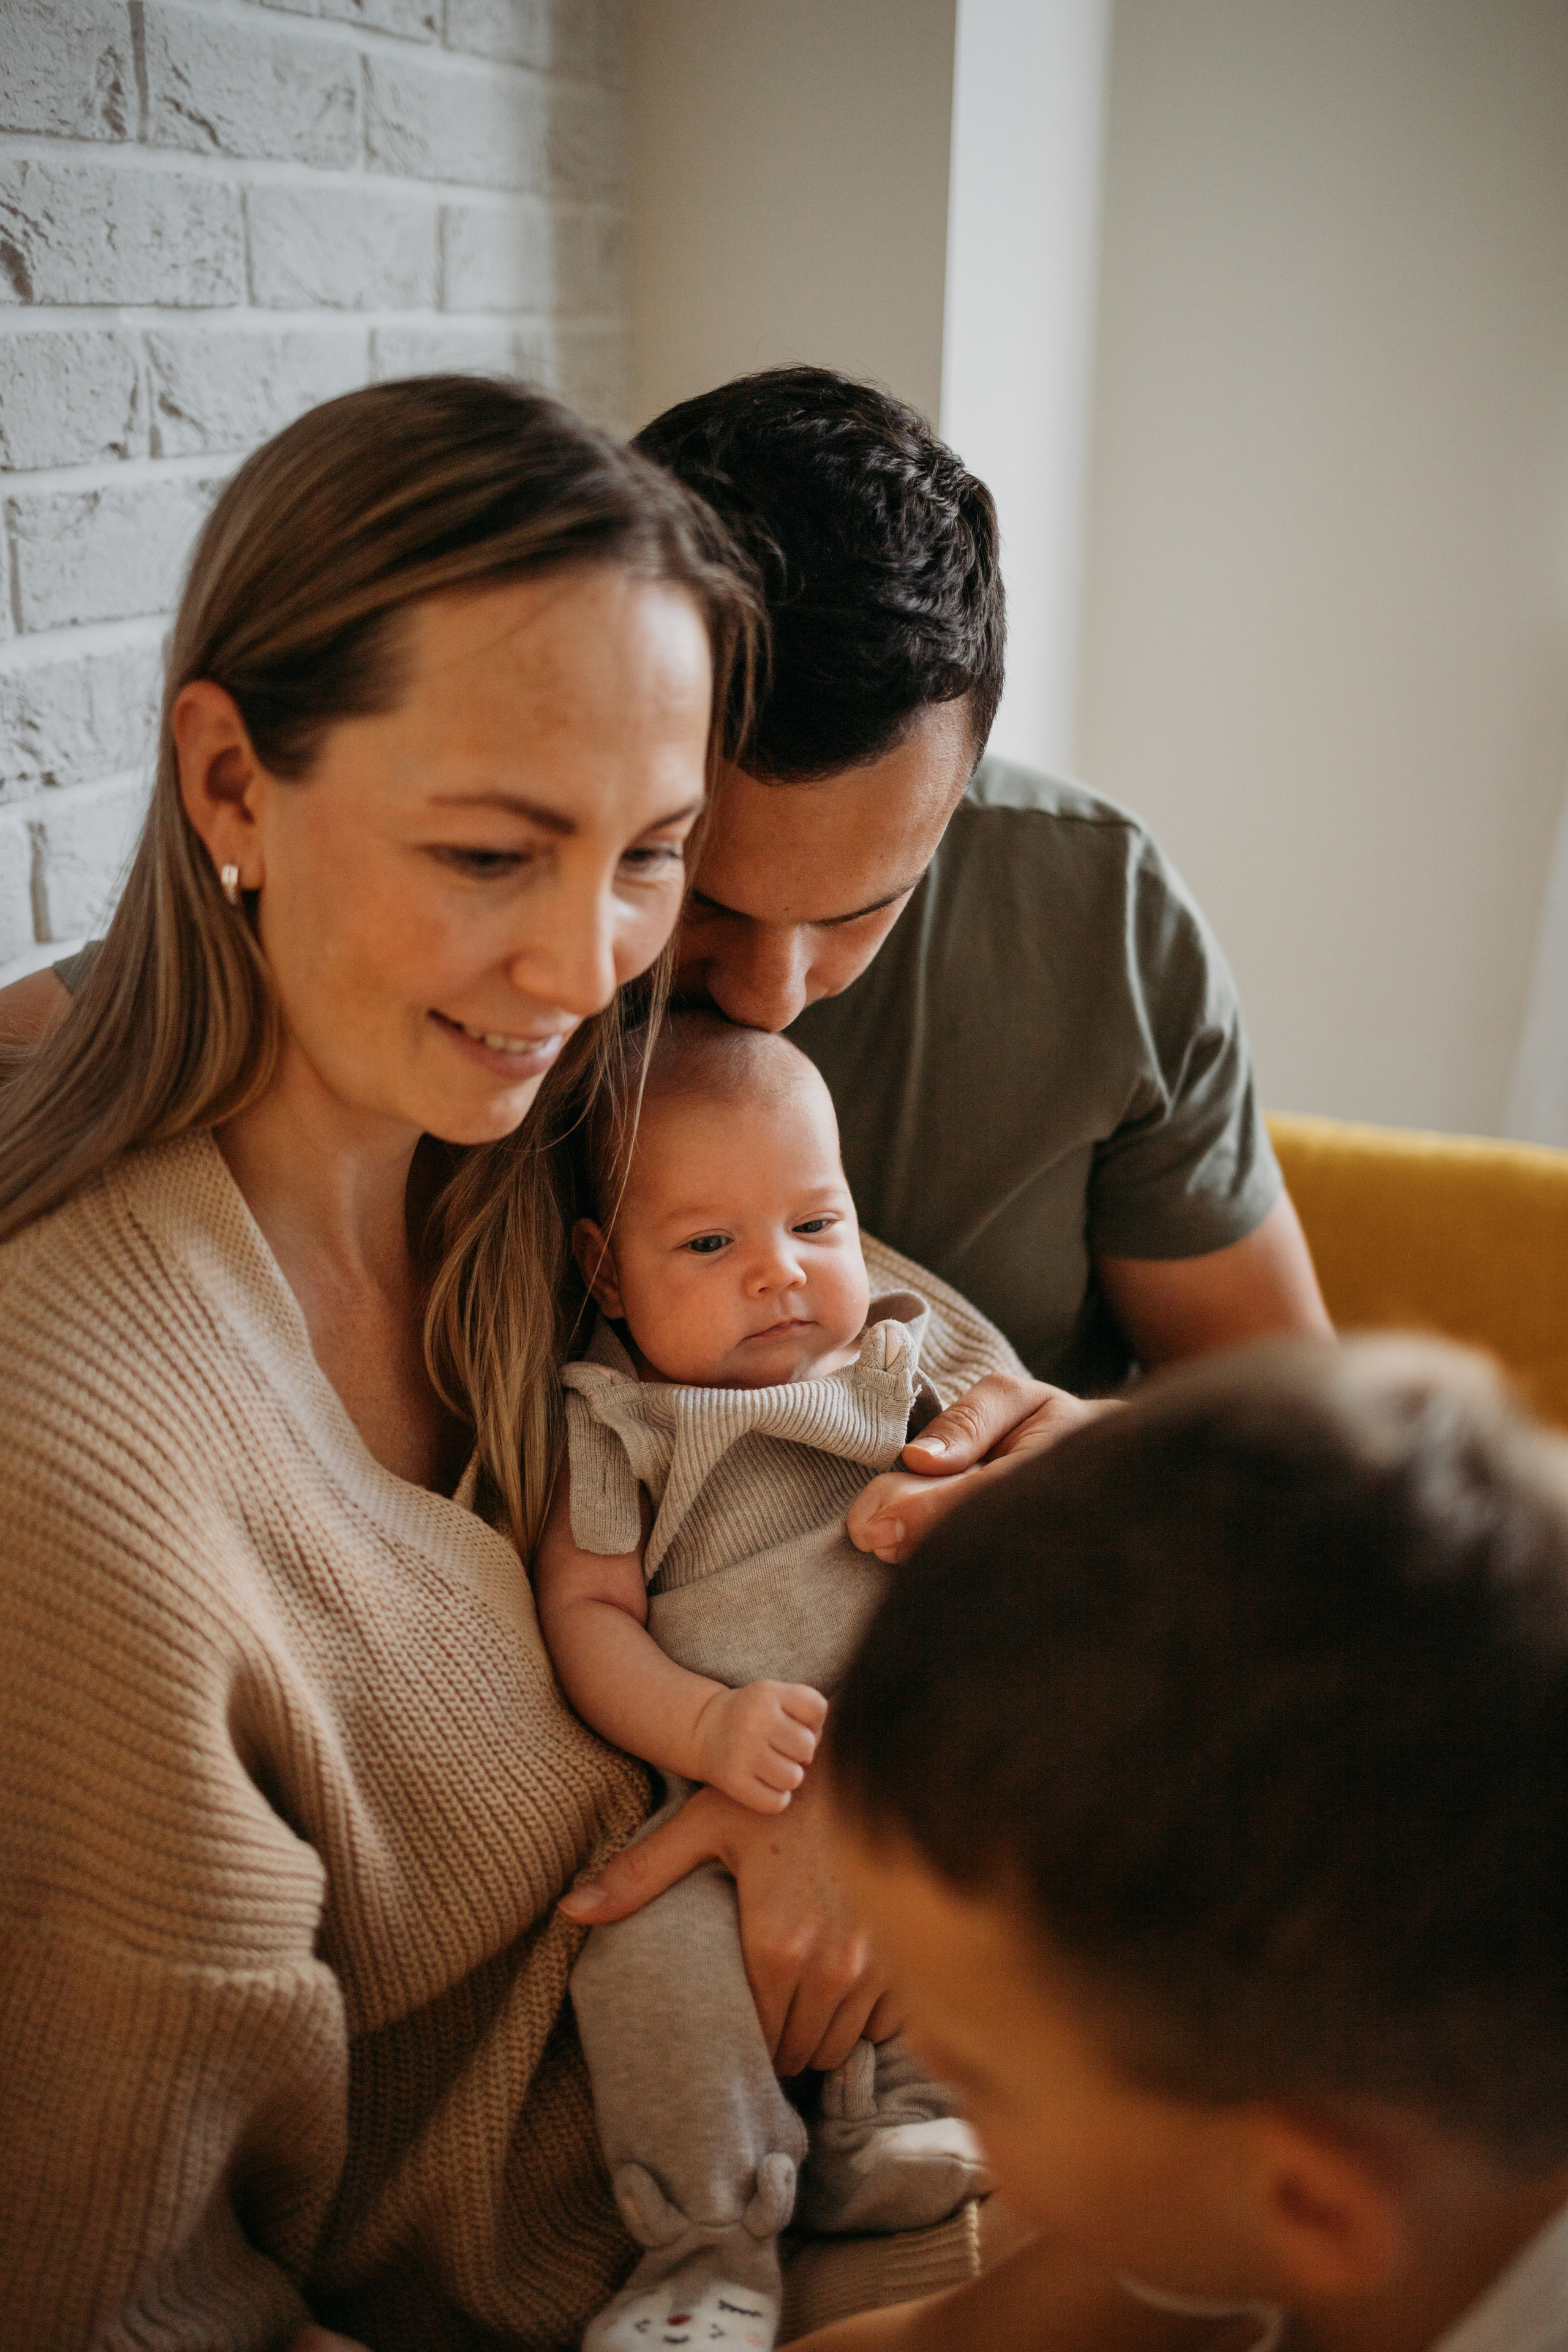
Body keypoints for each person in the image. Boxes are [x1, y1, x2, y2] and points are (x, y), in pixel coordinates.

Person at [0, 377, 946, 2351]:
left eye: (650, 856)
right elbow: (129, 2294)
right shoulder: (86, 1437)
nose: (590, 964)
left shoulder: (540, 1169)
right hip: (629, 2270)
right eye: (497, 855)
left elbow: (931, 1388)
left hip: (861, 2111)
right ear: (234, 786)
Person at [815, 1333, 1568, 2352]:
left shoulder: (1275, 2152)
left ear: (1310, 2208)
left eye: (979, 2077)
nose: (926, 2056)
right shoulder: (1296, 2149)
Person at [536, 1014, 1011, 2350]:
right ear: (607, 1276)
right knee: (638, 1957)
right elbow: (584, 1613)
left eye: (816, 1225)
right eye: (708, 1244)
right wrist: (705, 1720)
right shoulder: (622, 1422)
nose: (778, 1277)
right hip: (709, 1811)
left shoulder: (901, 1376)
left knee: (979, 1878)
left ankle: (904, 2119)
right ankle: (707, 2248)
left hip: (906, 1763)